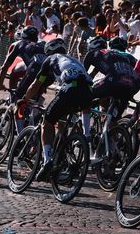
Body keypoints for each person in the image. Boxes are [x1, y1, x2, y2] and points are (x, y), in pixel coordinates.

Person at [20, 37, 92, 178]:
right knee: (63, 118)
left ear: (49, 51)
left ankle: (47, 160)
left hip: (70, 89)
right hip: (88, 91)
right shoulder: (75, 61)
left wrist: (25, 99)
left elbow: (37, 84)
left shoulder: (50, 59)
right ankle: (82, 136)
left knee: (47, 122)